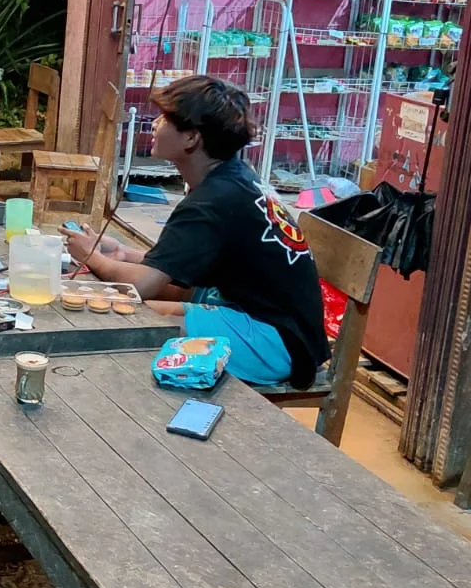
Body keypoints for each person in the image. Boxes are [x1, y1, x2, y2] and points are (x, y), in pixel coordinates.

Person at [63, 75, 330, 389]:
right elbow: (172, 268)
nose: (154, 124)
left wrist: (92, 257)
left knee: (127, 320)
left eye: (165, 118)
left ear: (191, 138)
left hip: (278, 344)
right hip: (280, 327)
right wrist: (121, 254)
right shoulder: (233, 178)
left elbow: (143, 286)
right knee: (136, 310)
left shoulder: (212, 201)